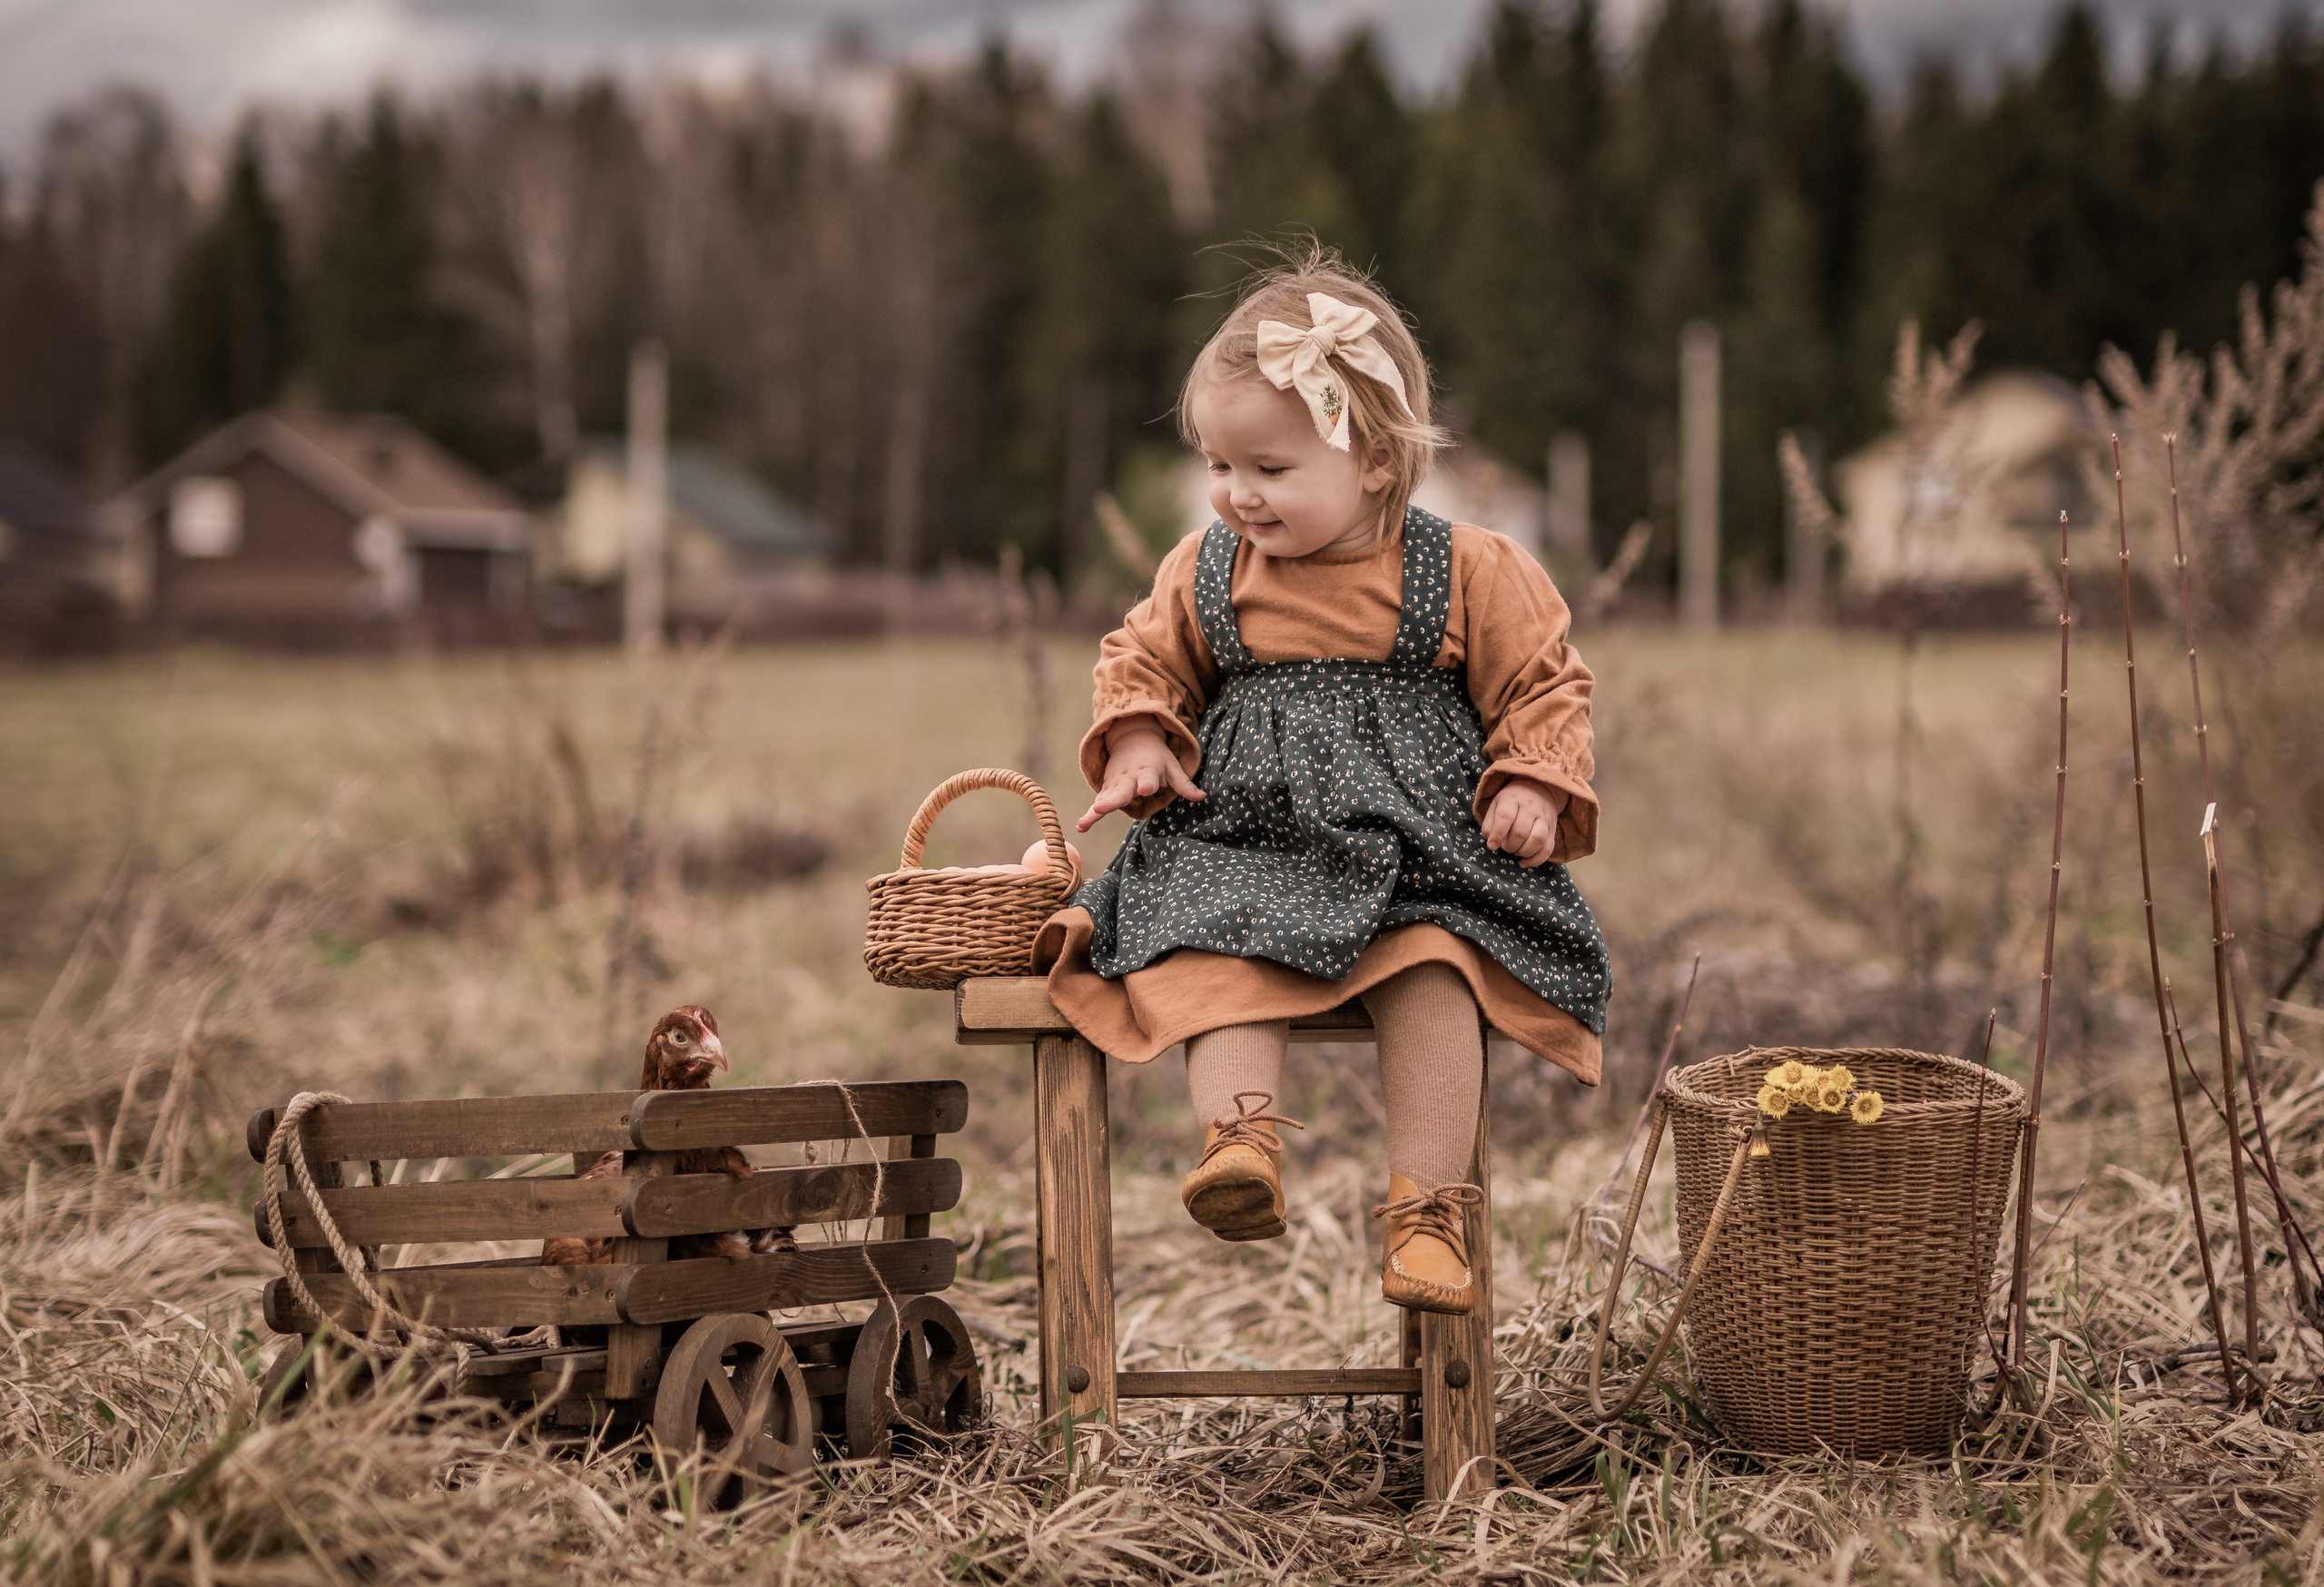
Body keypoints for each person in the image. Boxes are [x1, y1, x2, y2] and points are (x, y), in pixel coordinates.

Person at [1034, 251, 1610, 1318]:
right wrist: (1143, 743)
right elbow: (1144, 660)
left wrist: (1530, 780)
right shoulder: (1207, 568)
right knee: (1213, 940)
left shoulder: (1469, 566)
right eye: (1219, 463)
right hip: (1247, 842)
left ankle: (1428, 1211)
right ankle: (1241, 1139)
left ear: (1378, 460)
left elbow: (1544, 681)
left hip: (1414, 858)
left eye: (1269, 468)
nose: (1236, 493)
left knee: (1438, 963)